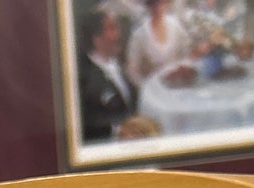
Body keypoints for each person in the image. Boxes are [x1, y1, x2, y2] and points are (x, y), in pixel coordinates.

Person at [78, 7, 138, 142]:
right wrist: (118, 131)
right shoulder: (85, 78)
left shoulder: (119, 64)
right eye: (112, 28)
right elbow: (88, 122)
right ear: (96, 38)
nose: (119, 34)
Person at [126, 0, 192, 86]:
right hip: (153, 88)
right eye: (154, 4)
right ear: (148, 5)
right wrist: (145, 87)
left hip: (178, 84)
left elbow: (186, 51)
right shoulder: (139, 34)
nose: (158, 7)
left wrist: (183, 70)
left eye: (161, 3)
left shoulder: (175, 25)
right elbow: (132, 71)